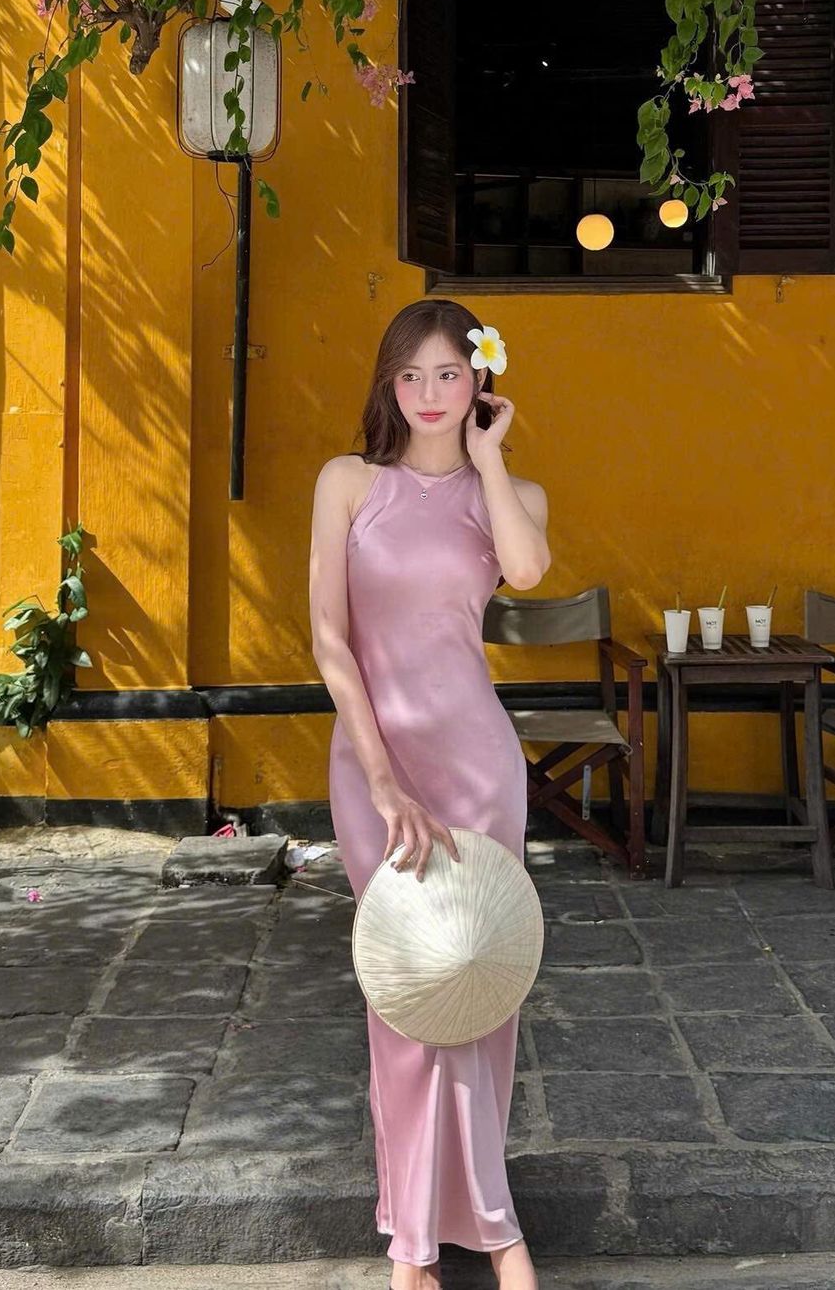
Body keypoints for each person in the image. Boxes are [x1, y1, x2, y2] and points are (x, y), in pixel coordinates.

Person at [308, 298, 550, 1290]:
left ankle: (488, 1225)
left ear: (479, 378)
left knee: (479, 990)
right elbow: (330, 640)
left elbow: (526, 570)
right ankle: (413, 1246)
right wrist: (378, 779)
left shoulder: (513, 492)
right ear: (388, 385)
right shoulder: (347, 483)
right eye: (409, 376)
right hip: (375, 769)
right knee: (405, 997)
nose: (428, 394)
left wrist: (487, 459)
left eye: (449, 373)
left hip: (476, 767)